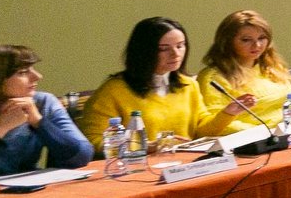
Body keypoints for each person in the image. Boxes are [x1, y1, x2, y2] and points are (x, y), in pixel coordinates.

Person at [78, 17, 252, 146]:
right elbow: (93, 140)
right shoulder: (114, 90)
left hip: (183, 166)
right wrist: (144, 146)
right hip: (137, 170)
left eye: (180, 46)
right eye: (164, 49)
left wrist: (228, 113)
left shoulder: (188, 84)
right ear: (144, 51)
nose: (176, 54)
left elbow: (200, 130)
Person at [0, 44, 91, 176]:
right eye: (22, 72)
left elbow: (82, 156)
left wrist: (39, 122)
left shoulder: (42, 102)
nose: (37, 76)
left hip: (28, 186)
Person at [195, 10, 291, 129]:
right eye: (246, 40)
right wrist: (263, 133)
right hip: (256, 137)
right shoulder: (213, 78)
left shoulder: (271, 66)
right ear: (227, 42)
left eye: (262, 38)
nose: (257, 45)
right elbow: (216, 124)